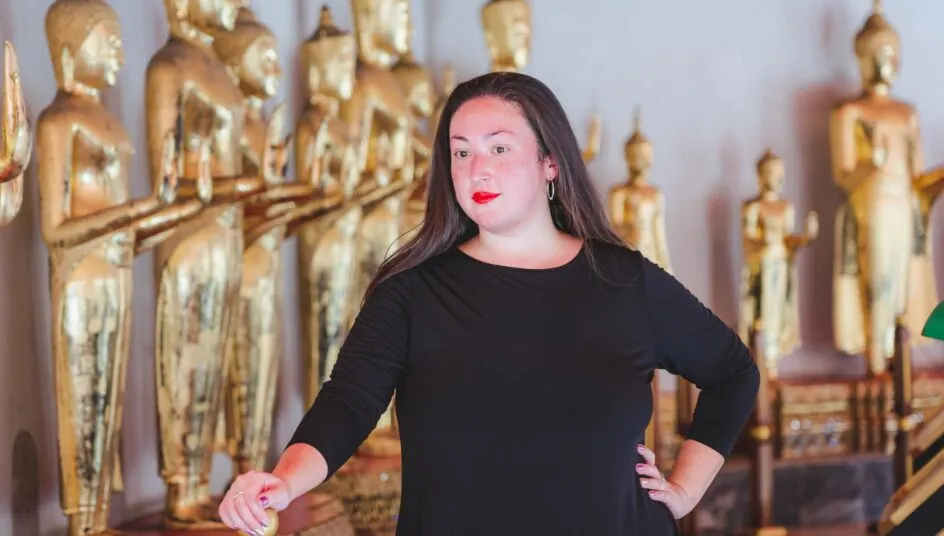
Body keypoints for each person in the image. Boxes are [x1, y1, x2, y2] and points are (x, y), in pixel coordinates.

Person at [218, 71, 760, 535]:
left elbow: (733, 372)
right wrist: (284, 480)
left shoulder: (623, 281)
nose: (477, 168)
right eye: (461, 152)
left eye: (499, 148)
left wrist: (686, 489)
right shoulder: (411, 292)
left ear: (550, 162)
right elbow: (348, 404)